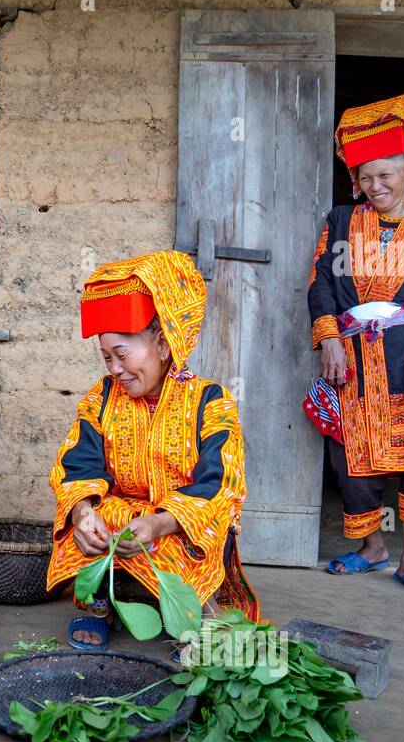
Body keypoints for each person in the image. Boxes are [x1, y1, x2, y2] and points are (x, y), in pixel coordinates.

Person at [48, 250, 260, 651]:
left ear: (162, 344)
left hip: (176, 522)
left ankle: (199, 605)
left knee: (208, 523)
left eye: (122, 355)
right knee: (96, 515)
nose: (114, 368)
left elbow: (220, 484)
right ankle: (99, 604)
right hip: (122, 516)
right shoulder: (103, 398)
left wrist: (161, 523)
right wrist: (83, 512)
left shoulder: (209, 401)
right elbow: (78, 462)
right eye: (106, 357)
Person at [308, 93, 404, 596]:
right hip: (352, 363)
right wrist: (328, 339)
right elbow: (322, 287)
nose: (374, 187)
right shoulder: (340, 223)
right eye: (364, 177)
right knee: (352, 462)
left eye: (385, 175)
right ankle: (373, 548)